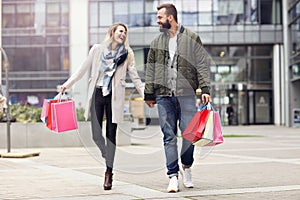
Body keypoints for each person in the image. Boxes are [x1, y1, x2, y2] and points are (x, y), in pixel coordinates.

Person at [60, 22, 144, 190]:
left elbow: (134, 77)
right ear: (112, 32)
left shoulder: (127, 54)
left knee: (111, 135)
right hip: (98, 93)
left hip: (114, 96)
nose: (123, 34)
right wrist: (67, 85)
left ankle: (109, 173)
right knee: (96, 134)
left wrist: (145, 95)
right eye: (121, 31)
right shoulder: (97, 49)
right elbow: (82, 69)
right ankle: (107, 153)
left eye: (125, 33)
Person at [144, 3, 211, 193]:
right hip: (164, 96)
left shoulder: (191, 38)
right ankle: (172, 176)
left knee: (189, 136)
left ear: (170, 18)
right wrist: (149, 93)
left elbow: (202, 65)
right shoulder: (156, 42)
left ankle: (187, 167)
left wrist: (205, 88)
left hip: (186, 95)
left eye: (160, 17)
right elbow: (151, 69)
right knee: (169, 137)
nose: (157, 21)